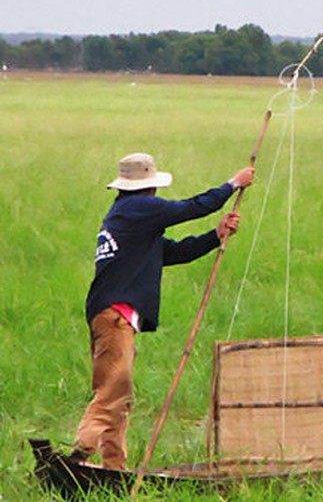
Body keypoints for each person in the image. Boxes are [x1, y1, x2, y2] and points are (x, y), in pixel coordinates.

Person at [70, 152, 255, 470]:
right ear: (148, 188)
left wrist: (216, 235)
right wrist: (232, 184)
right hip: (115, 316)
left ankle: (114, 466)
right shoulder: (139, 208)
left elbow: (173, 253)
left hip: (109, 316)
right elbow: (191, 207)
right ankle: (79, 453)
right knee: (114, 389)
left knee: (118, 394)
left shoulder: (128, 218)